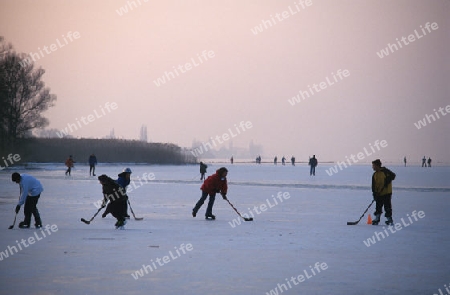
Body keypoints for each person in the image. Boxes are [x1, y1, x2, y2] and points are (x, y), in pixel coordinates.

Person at [371, 159, 396, 225]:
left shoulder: (385, 171)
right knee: (378, 206)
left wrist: (388, 179)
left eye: (373, 165)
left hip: (387, 193)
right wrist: (374, 193)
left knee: (387, 206)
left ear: (377, 165)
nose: (372, 167)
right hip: (378, 193)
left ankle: (389, 219)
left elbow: (393, 175)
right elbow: (373, 185)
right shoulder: (374, 174)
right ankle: (377, 218)